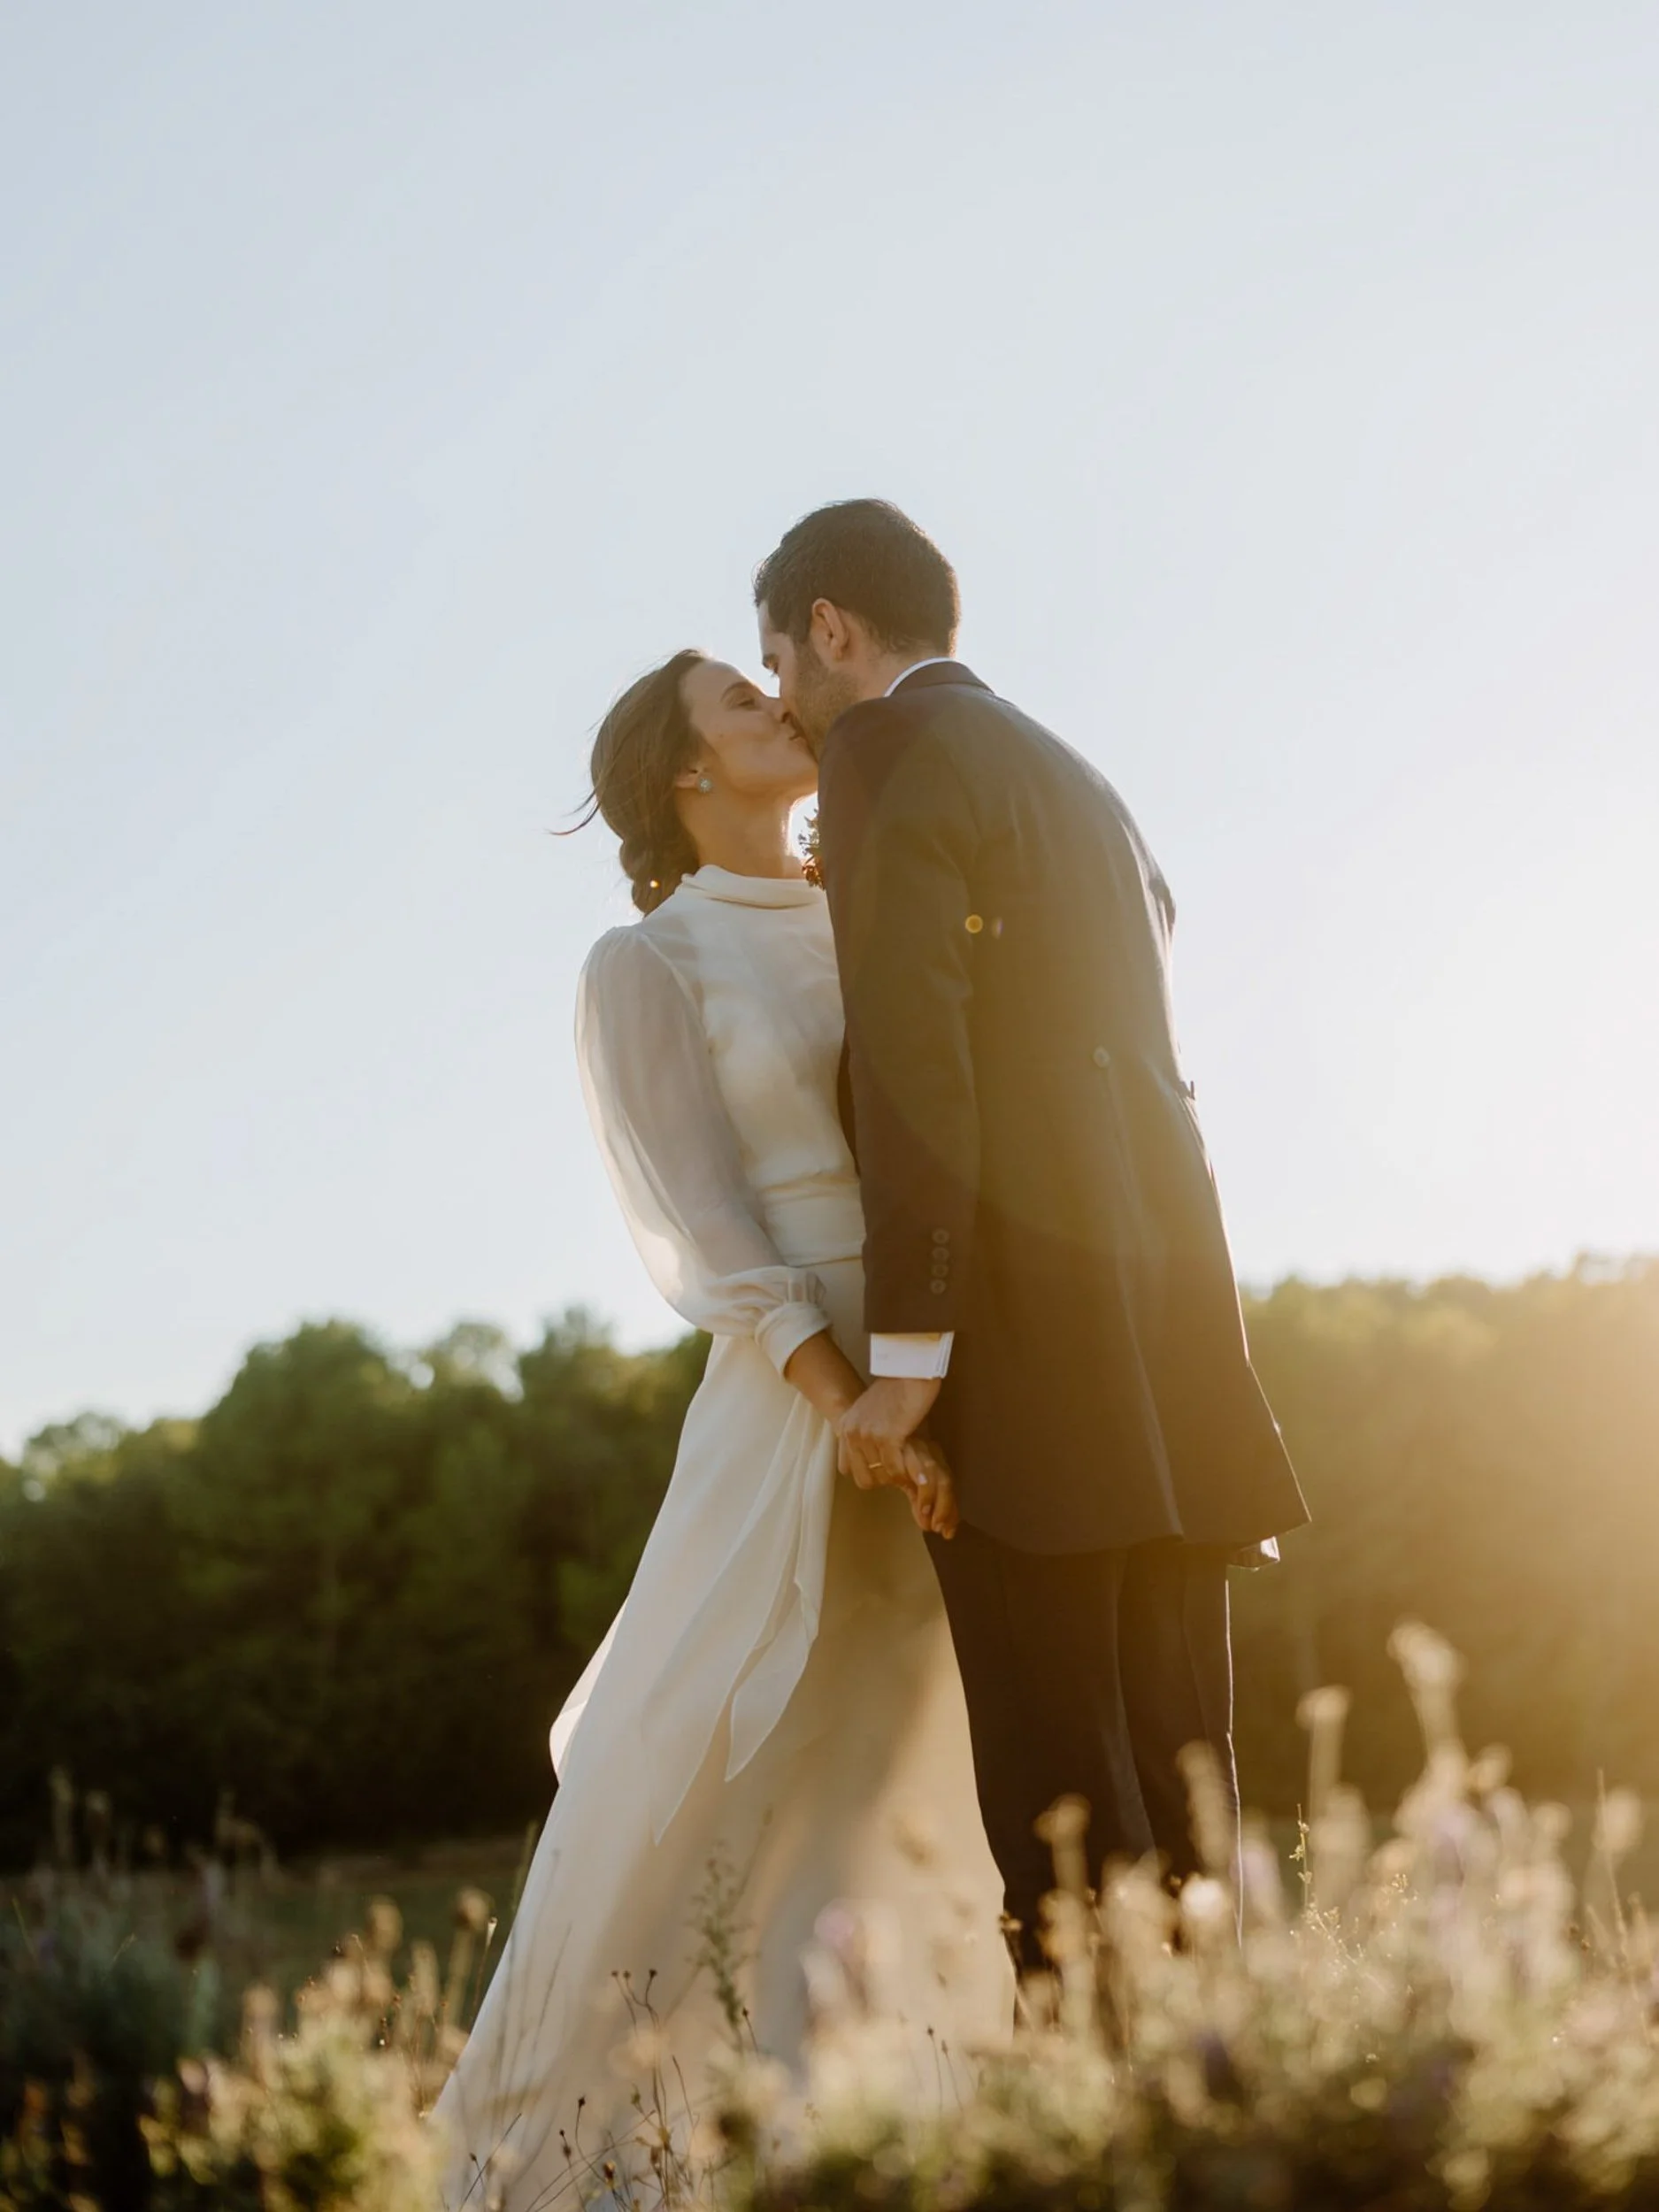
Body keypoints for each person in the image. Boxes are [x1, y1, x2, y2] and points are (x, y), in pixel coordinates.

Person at [433, 651, 1009, 2212]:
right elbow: (713, 1230)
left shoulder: (865, 905)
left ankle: (898, 2141)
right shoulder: (648, 965)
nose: (780, 708)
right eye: (740, 707)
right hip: (796, 1409)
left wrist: (933, 1378)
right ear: (686, 777)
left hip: (944, 1363)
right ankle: (584, 2162)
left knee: (899, 1770)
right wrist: (856, 1414)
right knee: (703, 1777)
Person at [755, 499, 1309, 1969]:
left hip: (1025, 1353)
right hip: (1173, 1350)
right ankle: (1234, 2120)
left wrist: (914, 1353)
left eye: (783, 664)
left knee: (1061, 1801)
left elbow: (911, 1069)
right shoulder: (1083, 784)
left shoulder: (885, 747)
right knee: (1190, 1793)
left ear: (831, 629)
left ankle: (1110, 2154)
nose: (792, 711)